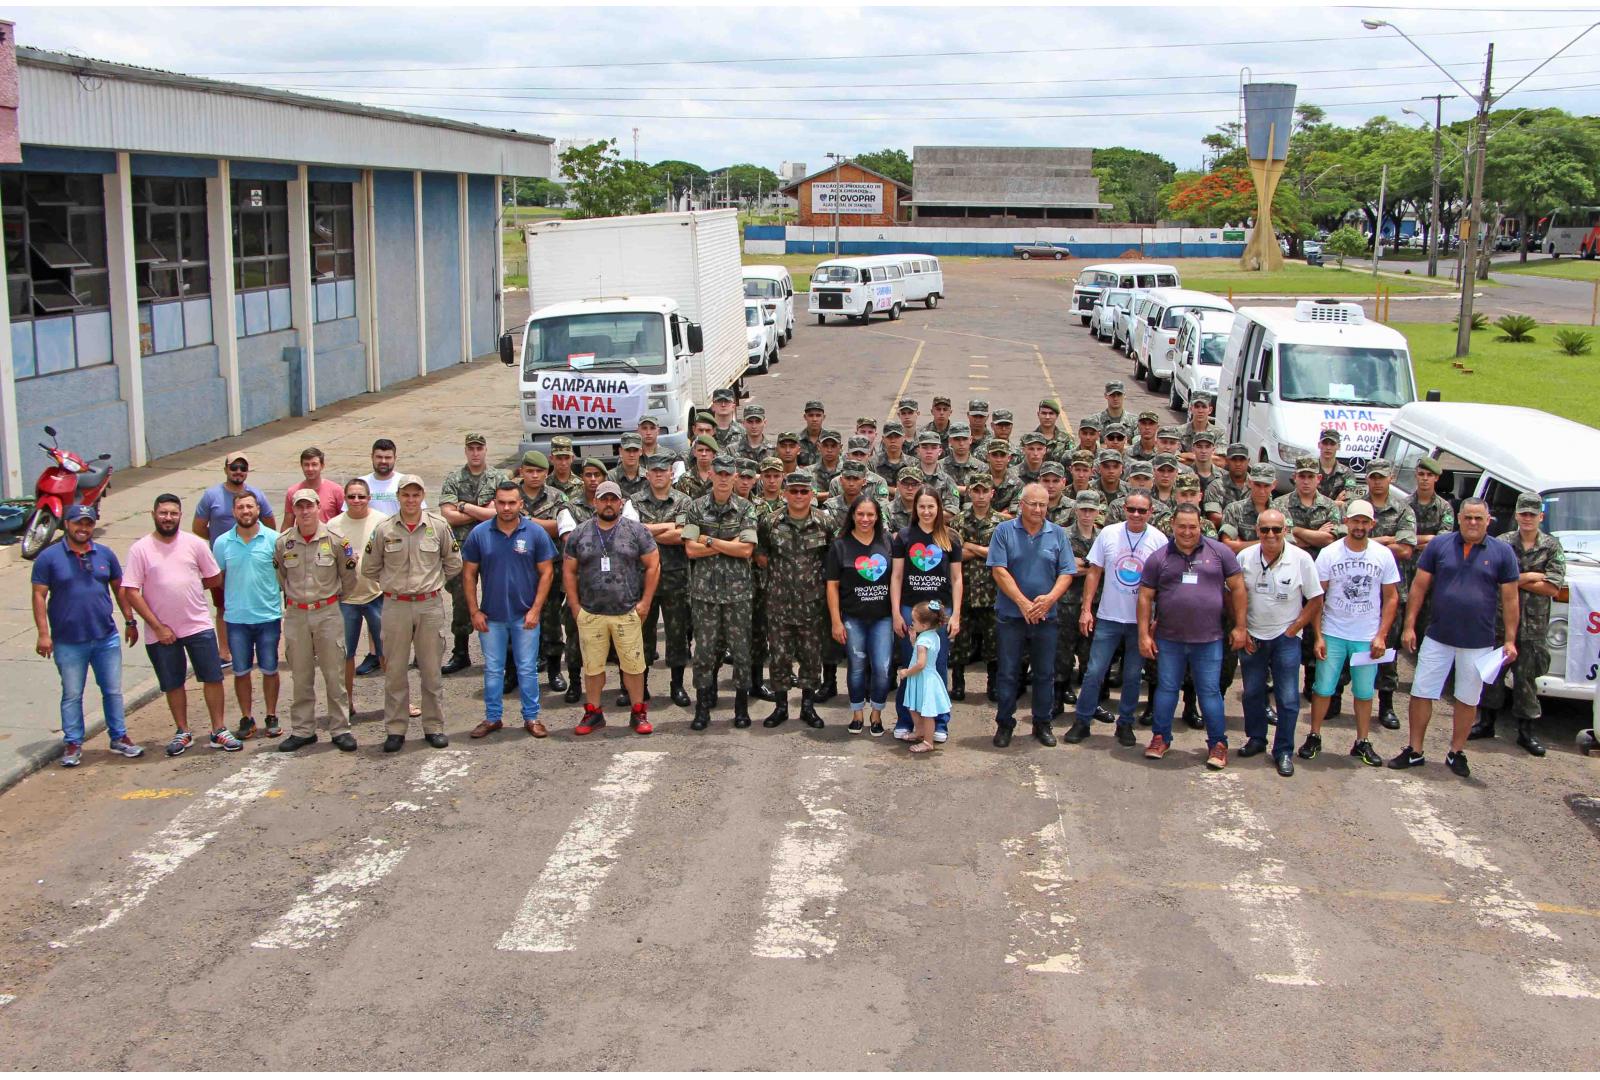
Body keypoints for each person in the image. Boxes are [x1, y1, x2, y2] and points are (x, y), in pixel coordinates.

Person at [1395, 497, 1521, 778]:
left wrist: (1510, 640)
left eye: (1479, 518)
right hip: (1438, 636)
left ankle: (1456, 752)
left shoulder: (1503, 553)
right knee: (1421, 692)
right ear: (1459, 519)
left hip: (1478, 642)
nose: (1473, 523)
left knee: (1467, 698)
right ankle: (1415, 750)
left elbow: (1511, 600)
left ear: (1488, 520)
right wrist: (1409, 626)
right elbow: (1418, 587)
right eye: (1468, 518)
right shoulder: (1439, 546)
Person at [121, 494, 239, 756]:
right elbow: (131, 591)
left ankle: (218, 730)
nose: (168, 518)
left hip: (197, 625)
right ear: (153, 514)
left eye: (173, 513)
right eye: (163, 513)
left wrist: (191, 590)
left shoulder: (194, 544)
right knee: (173, 683)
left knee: (213, 677)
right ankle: (182, 731)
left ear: (180, 515)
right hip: (160, 633)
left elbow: (213, 578)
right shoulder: (140, 549)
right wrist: (158, 626)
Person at [32, 505, 143, 766]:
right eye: (78, 523)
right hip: (68, 641)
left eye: (88, 524)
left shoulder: (104, 554)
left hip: (106, 637)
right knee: (72, 693)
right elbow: (39, 595)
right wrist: (43, 634)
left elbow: (120, 589)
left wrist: (129, 620)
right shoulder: (48, 558)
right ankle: (72, 743)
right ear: (67, 524)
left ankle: (119, 737)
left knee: (113, 691)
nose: (83, 529)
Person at [1136, 505, 1247, 766]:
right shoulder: (1159, 557)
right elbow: (1145, 596)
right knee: (1166, 690)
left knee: (1209, 692)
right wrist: (1143, 634)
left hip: (1209, 640)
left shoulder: (1220, 553)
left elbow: (1239, 588)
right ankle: (1160, 737)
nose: (1187, 532)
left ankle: (1218, 744)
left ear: (1201, 526)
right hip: (1169, 639)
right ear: (1172, 524)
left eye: (1193, 526)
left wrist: (1240, 627)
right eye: (1182, 526)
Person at [1293, 499, 1400, 767]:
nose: (1360, 526)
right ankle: (1314, 735)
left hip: (1366, 636)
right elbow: (1317, 597)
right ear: (1347, 523)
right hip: (1334, 632)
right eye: (1355, 521)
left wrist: (1381, 635)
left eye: (1365, 522)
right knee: (1323, 689)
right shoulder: (1330, 554)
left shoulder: (1382, 555)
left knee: (1364, 693)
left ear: (1372, 524)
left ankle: (1362, 741)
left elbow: (1391, 598)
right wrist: (1318, 636)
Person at [361, 475, 462, 752]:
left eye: (416, 495)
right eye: (406, 495)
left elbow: (454, 563)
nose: (411, 500)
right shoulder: (384, 530)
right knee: (395, 670)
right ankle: (395, 729)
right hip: (395, 606)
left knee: (431, 670)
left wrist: (433, 582)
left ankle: (434, 726)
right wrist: (392, 584)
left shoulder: (438, 527)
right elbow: (369, 567)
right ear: (399, 497)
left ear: (422, 497)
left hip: (429, 605)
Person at [564, 480, 661, 735]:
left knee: (633, 666)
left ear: (621, 502)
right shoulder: (580, 532)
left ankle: (638, 712)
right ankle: (593, 712)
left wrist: (645, 602)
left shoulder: (636, 531)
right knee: (593, 667)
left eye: (613, 499)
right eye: (603, 499)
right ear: (594, 502)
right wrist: (575, 606)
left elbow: (653, 565)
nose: (608, 504)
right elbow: (569, 570)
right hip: (592, 612)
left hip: (626, 611)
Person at [462, 481, 558, 739]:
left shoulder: (535, 533)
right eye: (501, 502)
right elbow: (469, 575)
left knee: (527, 668)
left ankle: (532, 717)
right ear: (494, 503)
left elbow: (547, 572)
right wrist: (474, 611)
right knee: (493, 669)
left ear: (521, 504)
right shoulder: (479, 534)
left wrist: (536, 610)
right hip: (491, 617)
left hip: (525, 615)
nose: (506, 507)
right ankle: (493, 718)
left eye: (511, 502)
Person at [1474, 492, 1565, 756]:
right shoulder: (1501, 543)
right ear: (1516, 515)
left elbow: (1552, 587)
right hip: (1499, 622)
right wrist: (1531, 576)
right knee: (1493, 675)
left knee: (1526, 680)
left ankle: (1526, 732)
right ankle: (1486, 723)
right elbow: (1490, 577)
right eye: (1523, 514)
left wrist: (1513, 579)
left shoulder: (1552, 546)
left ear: (1541, 517)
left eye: (1532, 515)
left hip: (1533, 626)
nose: (1527, 519)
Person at [1073, 490, 1166, 748]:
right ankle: (1082, 720)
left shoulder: (1159, 540)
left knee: (1133, 675)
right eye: (1131, 509)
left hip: (1140, 622)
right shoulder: (1109, 533)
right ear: (1124, 509)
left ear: (1151, 512)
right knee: (1094, 671)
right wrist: (1086, 609)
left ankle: (1125, 723)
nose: (1136, 515)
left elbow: (1163, 584)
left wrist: (1158, 619)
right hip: (1109, 616)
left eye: (1142, 510)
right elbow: (1094, 572)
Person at [988, 483, 1075, 747]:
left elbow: (1067, 572)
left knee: (1045, 673)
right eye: (1033, 504)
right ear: (1021, 505)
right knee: (1008, 673)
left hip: (1046, 617)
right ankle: (1005, 724)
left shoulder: (1057, 534)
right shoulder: (1003, 532)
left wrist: (1049, 600)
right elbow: (999, 571)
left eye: (1043, 504)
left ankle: (1042, 723)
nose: (1038, 509)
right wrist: (1023, 603)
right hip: (1011, 617)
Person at [1237, 508, 1323, 777]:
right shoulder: (1245, 558)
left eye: (1276, 529)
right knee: (1252, 692)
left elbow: (1316, 599)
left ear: (1285, 530)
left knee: (1287, 698)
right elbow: (1234, 596)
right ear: (1257, 531)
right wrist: (1241, 629)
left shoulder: (1301, 559)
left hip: (1286, 638)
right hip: (1253, 635)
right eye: (1265, 530)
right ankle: (1256, 739)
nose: (1271, 535)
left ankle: (1283, 750)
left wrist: (1296, 627)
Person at [274, 489, 359, 752]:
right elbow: (281, 577)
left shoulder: (336, 541)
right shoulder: (283, 543)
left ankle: (340, 728)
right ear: (294, 510)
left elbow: (349, 578)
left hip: (327, 612)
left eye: (309, 506)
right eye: (299, 507)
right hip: (297, 614)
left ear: (318, 507)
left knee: (334, 675)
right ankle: (303, 730)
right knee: (300, 675)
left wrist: (331, 600)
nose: (304, 511)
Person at [680, 457, 759, 729]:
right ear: (711, 474)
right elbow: (690, 549)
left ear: (736, 476)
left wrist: (709, 540)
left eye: (729, 474)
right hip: (705, 594)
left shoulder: (747, 508)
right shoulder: (695, 508)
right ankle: (702, 708)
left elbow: (747, 550)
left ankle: (740, 707)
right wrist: (730, 544)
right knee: (704, 653)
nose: (724, 478)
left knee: (741, 652)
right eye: (720, 473)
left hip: (738, 594)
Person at [757, 472, 837, 728]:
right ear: (784, 494)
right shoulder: (771, 522)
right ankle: (781, 706)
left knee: (811, 656)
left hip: (812, 604)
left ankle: (807, 706)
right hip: (779, 602)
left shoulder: (825, 522)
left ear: (812, 494)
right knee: (779, 656)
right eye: (794, 491)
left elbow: (832, 557)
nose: (799, 496)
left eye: (804, 491)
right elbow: (760, 554)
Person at [890, 488, 963, 742]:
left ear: (939, 508)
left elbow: (956, 577)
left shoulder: (950, 538)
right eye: (922, 506)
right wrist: (897, 613)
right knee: (910, 665)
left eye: (931, 506)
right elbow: (897, 576)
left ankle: (939, 723)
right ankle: (905, 720)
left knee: (936, 667)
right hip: (911, 610)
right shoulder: (904, 537)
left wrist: (956, 614)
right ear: (915, 508)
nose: (927, 511)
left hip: (940, 612)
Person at [211, 490, 283, 740]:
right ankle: (246, 717)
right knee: (241, 672)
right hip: (236, 620)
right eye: (240, 507)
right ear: (234, 512)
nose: (245, 511)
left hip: (268, 617)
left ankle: (271, 715)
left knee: (270, 669)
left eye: (250, 507)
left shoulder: (275, 540)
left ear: (258, 510)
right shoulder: (222, 543)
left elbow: (283, 576)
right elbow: (218, 578)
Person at [440, 432, 511, 677]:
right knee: (461, 598)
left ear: (485, 450)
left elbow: (499, 512)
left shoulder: (499, 477)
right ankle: (460, 651)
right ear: (466, 451)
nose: (475, 452)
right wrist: (482, 511)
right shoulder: (454, 478)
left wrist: (464, 506)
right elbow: (447, 514)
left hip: (493, 545)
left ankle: (499, 650)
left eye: (479, 448)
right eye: (471, 448)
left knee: (496, 596)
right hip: (461, 548)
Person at [826, 494, 895, 736]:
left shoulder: (887, 541)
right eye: (860, 514)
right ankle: (857, 714)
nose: (865, 519)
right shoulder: (840, 545)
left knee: (882, 668)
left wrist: (896, 614)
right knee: (856, 667)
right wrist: (836, 621)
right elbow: (832, 585)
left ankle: (876, 715)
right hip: (853, 617)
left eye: (870, 514)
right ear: (852, 516)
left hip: (883, 617)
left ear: (878, 517)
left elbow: (896, 579)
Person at [635, 453, 695, 707]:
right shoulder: (634, 501)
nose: (659, 474)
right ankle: (640, 686)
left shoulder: (685, 501)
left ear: (672, 474)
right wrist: (667, 527)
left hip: (676, 579)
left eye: (664, 471)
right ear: (647, 474)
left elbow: (684, 535)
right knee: (642, 635)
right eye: (654, 471)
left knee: (677, 634)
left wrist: (648, 529)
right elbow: (632, 533)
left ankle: (677, 685)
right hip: (643, 580)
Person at [330, 479, 389, 700]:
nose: (356, 501)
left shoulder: (382, 522)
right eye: (352, 496)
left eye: (361, 496)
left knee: (387, 653)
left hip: (377, 595)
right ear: (345, 499)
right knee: (345, 655)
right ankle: (346, 704)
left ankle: (397, 703)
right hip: (346, 599)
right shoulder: (333, 526)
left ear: (369, 498)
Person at [951, 474, 1002, 700]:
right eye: (976, 491)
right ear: (969, 492)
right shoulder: (958, 522)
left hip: (992, 592)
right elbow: (954, 555)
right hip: (965, 591)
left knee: (993, 644)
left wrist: (970, 545)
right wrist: (984, 550)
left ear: (992, 493)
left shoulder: (1001, 523)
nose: (980, 496)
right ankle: (958, 684)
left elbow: (1000, 555)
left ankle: (993, 685)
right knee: (960, 642)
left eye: (985, 491)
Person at [899, 601, 953, 753]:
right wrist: (913, 642)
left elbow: (921, 663)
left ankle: (928, 742)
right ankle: (920, 731)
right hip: (925, 678)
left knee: (927, 712)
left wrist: (906, 672)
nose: (911, 623)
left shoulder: (923, 641)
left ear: (923, 625)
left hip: (923, 678)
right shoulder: (933, 636)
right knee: (914, 707)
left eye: (914, 621)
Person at [193, 452, 276, 543]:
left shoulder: (257, 495)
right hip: (223, 554)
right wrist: (221, 540)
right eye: (234, 467)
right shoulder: (211, 495)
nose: (238, 471)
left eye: (243, 468)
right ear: (225, 470)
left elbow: (270, 527)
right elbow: (198, 528)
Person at [282, 446, 345, 523]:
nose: (310, 469)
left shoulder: (336, 490)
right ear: (301, 466)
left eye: (314, 464)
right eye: (306, 465)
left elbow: (345, 520)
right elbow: (287, 524)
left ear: (322, 466)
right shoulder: (293, 492)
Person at [360, 438, 408, 517]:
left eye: (388, 457)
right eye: (379, 457)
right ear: (372, 457)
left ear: (395, 458)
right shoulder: (360, 483)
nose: (383, 461)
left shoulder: (405, 482)